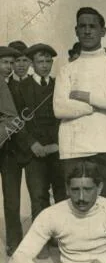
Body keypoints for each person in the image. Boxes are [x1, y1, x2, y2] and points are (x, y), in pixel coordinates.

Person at [53, 7, 106, 208]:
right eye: (82, 26)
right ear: (76, 30)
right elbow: (60, 108)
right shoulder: (66, 70)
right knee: (76, 209)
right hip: (74, 148)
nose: (87, 31)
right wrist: (95, 107)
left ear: (103, 31)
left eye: (92, 26)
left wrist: (84, 96)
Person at [18, 44, 66, 222]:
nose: (45, 65)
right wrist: (32, 143)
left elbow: (64, 118)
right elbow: (16, 121)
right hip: (34, 152)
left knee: (62, 194)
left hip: (57, 150)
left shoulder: (59, 85)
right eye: (40, 61)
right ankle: (42, 242)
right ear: (31, 63)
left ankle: (63, 238)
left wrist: (57, 145)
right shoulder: (21, 87)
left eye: (48, 61)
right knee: (38, 196)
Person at [0, 45, 29, 256]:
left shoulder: (19, 85)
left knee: (12, 199)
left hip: (12, 151)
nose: (9, 67)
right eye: (4, 62)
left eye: (11, 63)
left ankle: (14, 242)